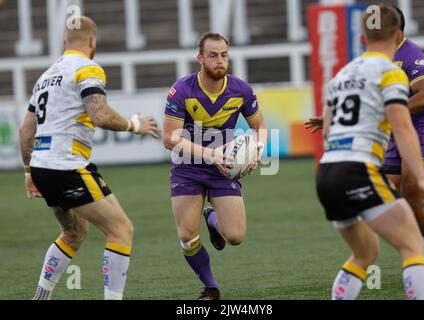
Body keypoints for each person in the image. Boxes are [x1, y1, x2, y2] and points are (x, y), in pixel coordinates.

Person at [19, 16, 160, 300]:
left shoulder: (45, 76)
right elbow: (99, 114)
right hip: (66, 166)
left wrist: (28, 171)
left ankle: (40, 298)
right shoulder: (87, 68)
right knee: (121, 229)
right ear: (93, 41)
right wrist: (135, 125)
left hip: (43, 167)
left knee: (74, 233)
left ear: (64, 43)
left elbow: (25, 131)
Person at [306, 6, 424, 283]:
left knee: (413, 199)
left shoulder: (412, 55)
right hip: (394, 137)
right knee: (395, 197)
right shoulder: (373, 61)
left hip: (420, 132)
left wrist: (388, 110)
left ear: (397, 32)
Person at [162, 32, 267, 300]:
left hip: (224, 168)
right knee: (187, 236)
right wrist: (210, 154)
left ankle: (211, 218)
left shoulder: (240, 89)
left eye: (224, 55)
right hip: (188, 167)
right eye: (213, 55)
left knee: (235, 236)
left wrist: (257, 150)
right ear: (200, 58)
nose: (220, 61)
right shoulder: (182, 90)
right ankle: (211, 287)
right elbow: (169, 138)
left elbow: (260, 127)